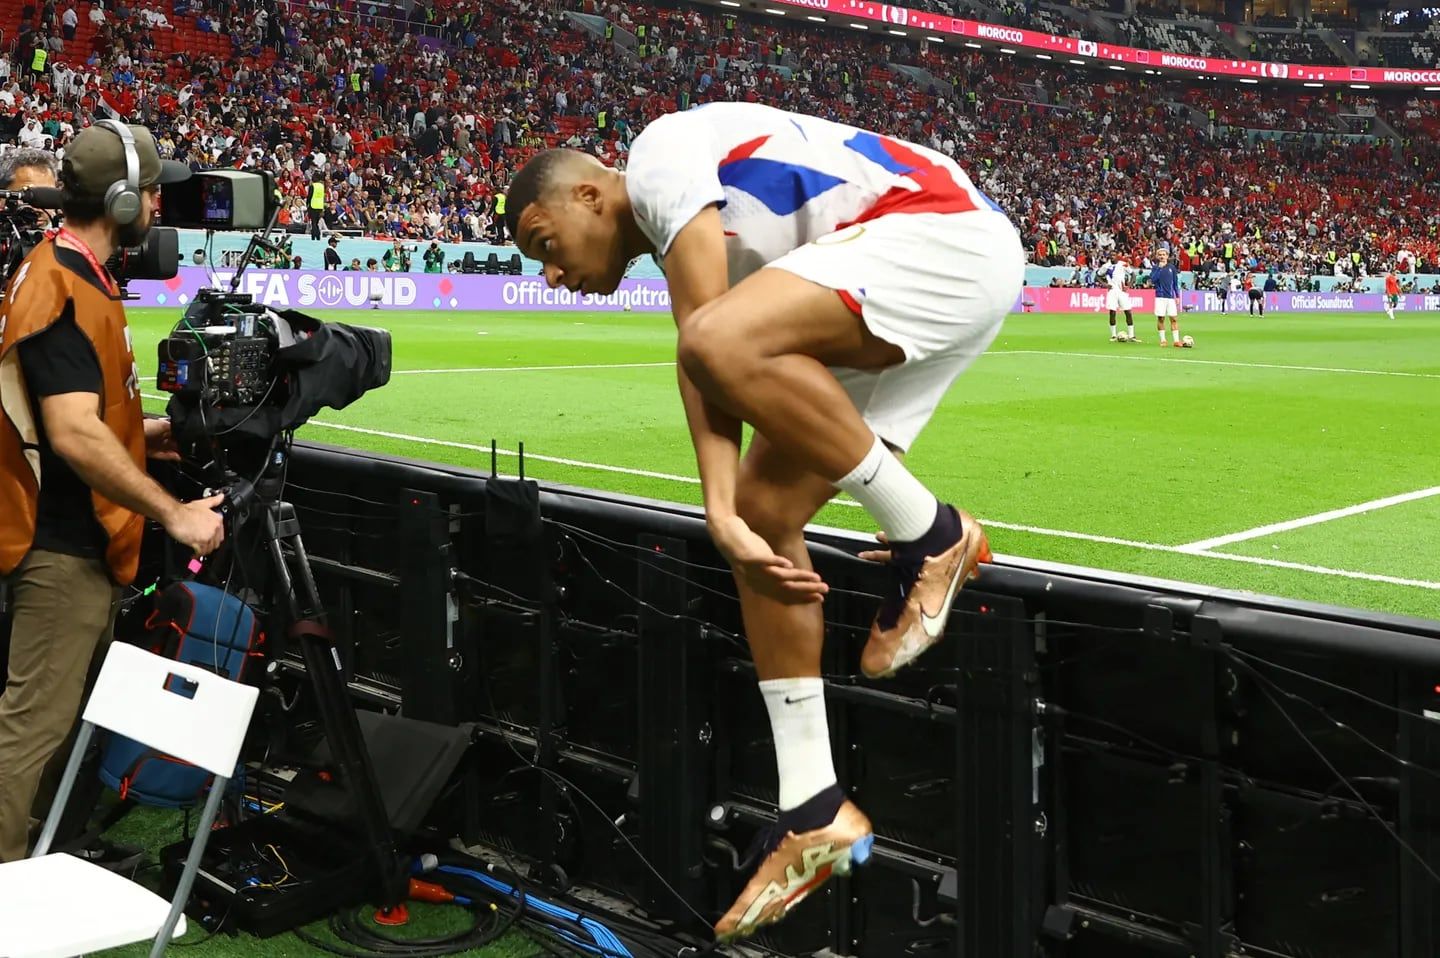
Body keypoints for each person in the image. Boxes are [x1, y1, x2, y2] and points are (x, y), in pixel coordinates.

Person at [503, 102, 1022, 942]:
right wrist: (727, 516)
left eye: (543, 243)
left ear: (592, 196)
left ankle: (932, 534)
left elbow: (705, 346)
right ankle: (814, 801)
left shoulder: (660, 156)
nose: (551, 276)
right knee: (764, 516)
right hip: (894, 265)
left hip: (939, 233)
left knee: (719, 359)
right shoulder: (708, 248)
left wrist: (712, 507)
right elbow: (713, 360)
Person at [0, 122, 227, 863]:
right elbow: (72, 432)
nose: (160, 204)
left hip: (78, 545)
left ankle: (35, 871)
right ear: (125, 200)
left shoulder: (70, 272)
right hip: (60, 551)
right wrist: (173, 512)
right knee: (30, 735)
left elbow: (84, 415)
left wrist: (145, 432)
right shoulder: (63, 282)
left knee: (50, 731)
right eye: (154, 190)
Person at [1150, 248, 1182, 346]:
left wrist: (1177, 296)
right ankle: (1163, 340)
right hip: (1160, 297)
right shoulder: (1155, 268)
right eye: (1160, 255)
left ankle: (1176, 341)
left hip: (1170, 297)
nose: (1162, 256)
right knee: (1161, 318)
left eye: (1164, 254)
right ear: (1157, 256)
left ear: (1167, 256)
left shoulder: (1172, 268)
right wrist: (1160, 268)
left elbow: (1175, 283)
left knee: (1174, 318)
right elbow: (1153, 280)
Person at [1104, 251, 1136, 341]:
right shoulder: (1106, 266)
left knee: (1128, 312)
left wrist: (1129, 285)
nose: (1112, 257)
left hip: (1122, 291)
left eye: (1114, 255)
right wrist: (1105, 284)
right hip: (1112, 291)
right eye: (1110, 255)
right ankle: (1113, 335)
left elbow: (1133, 274)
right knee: (1112, 312)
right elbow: (1097, 276)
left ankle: (1132, 335)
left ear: (1117, 256)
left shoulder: (1123, 264)